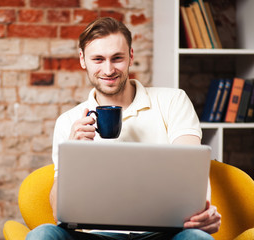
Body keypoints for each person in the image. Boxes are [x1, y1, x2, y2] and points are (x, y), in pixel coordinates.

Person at [26, 17, 221, 240]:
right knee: (42, 234)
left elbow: (191, 167)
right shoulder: (68, 121)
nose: (108, 70)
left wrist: (202, 215)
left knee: (198, 238)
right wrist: (73, 151)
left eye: (117, 58)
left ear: (130, 56)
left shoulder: (173, 101)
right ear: (83, 60)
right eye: (98, 59)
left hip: (163, 234)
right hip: (99, 236)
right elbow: (57, 210)